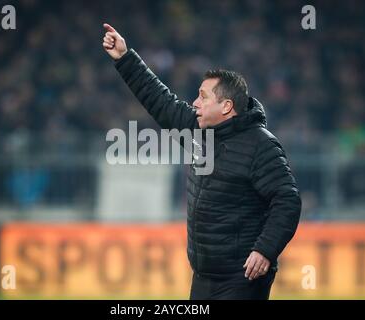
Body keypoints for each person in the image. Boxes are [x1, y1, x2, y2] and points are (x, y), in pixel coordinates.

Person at [102, 23, 301, 300]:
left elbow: (287, 200)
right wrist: (125, 58)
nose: (194, 103)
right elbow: (160, 101)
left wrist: (265, 249)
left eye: (203, 97)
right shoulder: (199, 133)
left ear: (226, 107)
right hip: (204, 275)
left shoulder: (261, 146)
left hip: (242, 277)